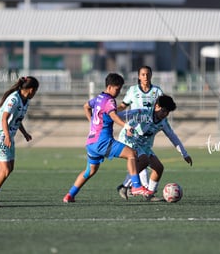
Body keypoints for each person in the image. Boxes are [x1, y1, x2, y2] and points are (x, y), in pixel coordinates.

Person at [62, 73, 151, 203]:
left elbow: (86, 106)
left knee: (89, 171)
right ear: (109, 87)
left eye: (120, 89)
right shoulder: (109, 100)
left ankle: (69, 195)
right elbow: (114, 115)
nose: (118, 92)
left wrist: (92, 123)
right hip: (102, 141)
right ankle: (136, 186)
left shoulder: (98, 98)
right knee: (132, 154)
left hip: (91, 143)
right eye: (117, 89)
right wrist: (126, 126)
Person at [117, 95, 193, 201]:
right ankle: (124, 186)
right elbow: (123, 115)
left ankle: (149, 195)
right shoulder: (142, 113)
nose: (165, 114)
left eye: (167, 112)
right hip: (129, 140)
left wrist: (184, 154)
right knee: (143, 160)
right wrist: (109, 115)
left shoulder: (163, 122)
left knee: (158, 168)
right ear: (156, 106)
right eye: (163, 110)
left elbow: (173, 137)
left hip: (144, 146)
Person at [0, 76, 39, 208]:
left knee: (10, 168)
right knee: (5, 170)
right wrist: (7, 136)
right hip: (0, 137)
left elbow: (17, 119)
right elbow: (4, 118)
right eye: (35, 91)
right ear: (30, 90)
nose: (35, 94)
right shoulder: (14, 99)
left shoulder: (25, 101)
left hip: (8, 137)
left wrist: (24, 133)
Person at [117, 66, 163, 193]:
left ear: (151, 75)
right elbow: (123, 105)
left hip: (148, 132)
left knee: (145, 160)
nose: (146, 77)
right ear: (139, 76)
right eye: (143, 74)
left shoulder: (157, 91)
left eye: (148, 74)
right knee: (142, 158)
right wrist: (112, 112)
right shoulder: (133, 90)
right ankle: (142, 189)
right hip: (134, 132)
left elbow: (162, 107)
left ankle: (134, 187)